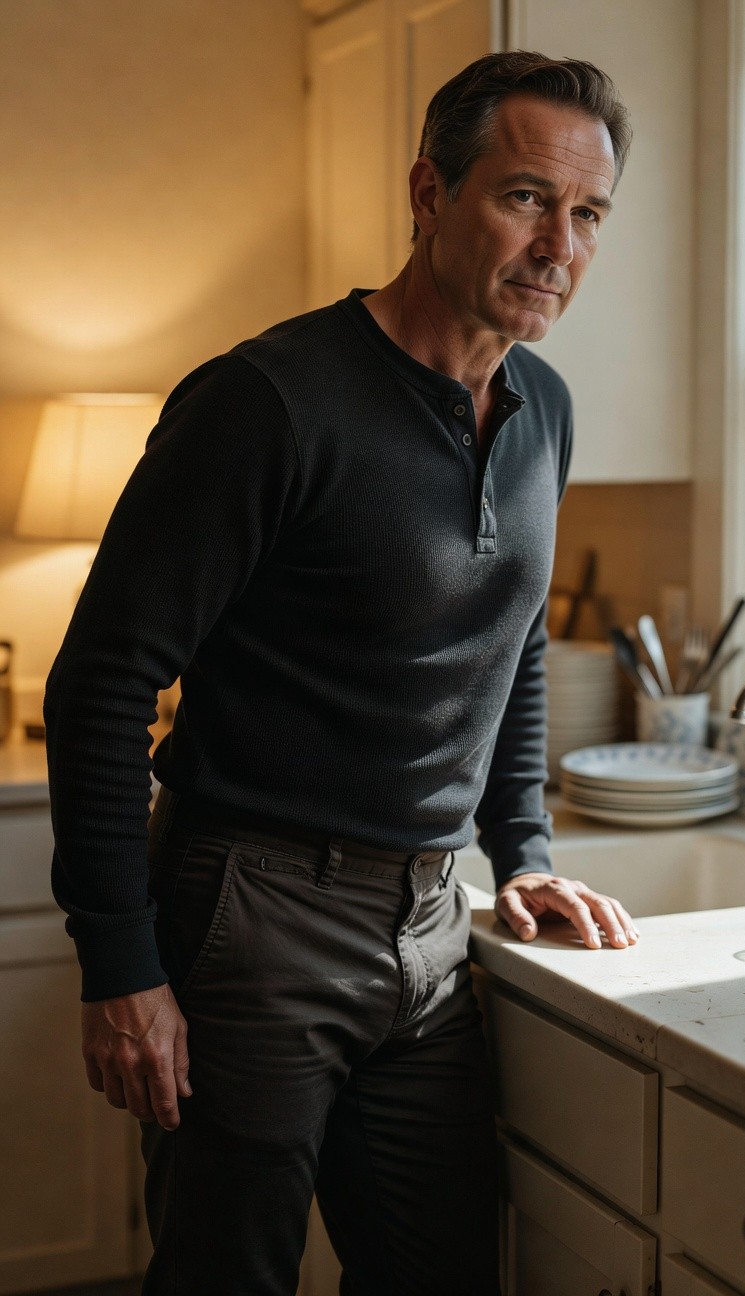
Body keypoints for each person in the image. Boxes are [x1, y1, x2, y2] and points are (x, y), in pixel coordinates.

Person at [44, 49, 636, 1295]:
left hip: (431, 932)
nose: (559, 246)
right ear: (429, 192)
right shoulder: (267, 402)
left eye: (587, 214)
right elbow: (101, 681)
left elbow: (518, 638)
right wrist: (120, 966)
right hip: (252, 914)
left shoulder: (548, 408)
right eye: (525, 197)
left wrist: (521, 849)